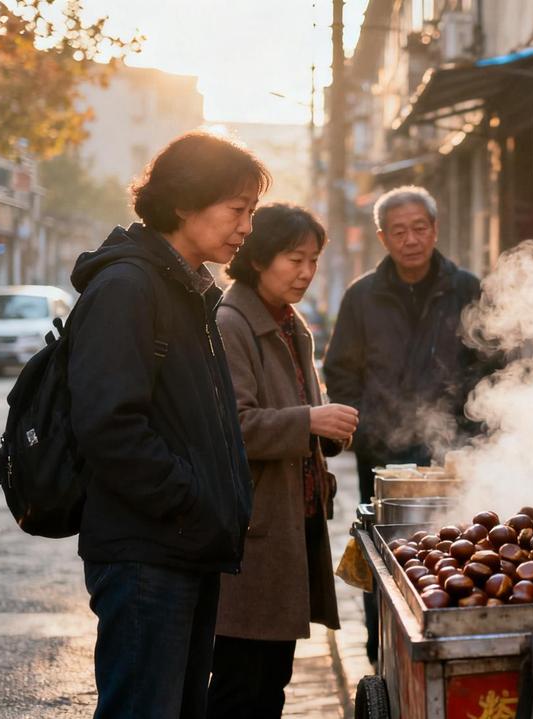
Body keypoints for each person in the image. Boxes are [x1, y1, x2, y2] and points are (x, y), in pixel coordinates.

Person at [67, 131, 268, 718]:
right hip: (146, 553)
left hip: (184, 546)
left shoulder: (187, 288)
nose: (246, 227)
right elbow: (110, 426)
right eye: (237, 210)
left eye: (251, 212)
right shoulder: (128, 286)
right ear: (184, 203)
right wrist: (190, 499)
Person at [323, 185, 484, 664]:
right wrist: (366, 428)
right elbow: (340, 372)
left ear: (435, 230)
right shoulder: (361, 297)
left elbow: (494, 366)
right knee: (387, 565)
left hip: (454, 460)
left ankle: (453, 653)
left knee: (457, 559)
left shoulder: (467, 289)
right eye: (399, 231)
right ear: (382, 237)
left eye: (419, 228)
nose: (411, 239)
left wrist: (474, 439)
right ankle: (386, 660)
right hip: (385, 462)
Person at [208, 204, 356, 717]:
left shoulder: (291, 325)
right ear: (258, 259)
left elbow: (297, 410)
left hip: (289, 524)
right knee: (239, 685)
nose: (306, 273)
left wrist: (326, 432)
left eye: (313, 260)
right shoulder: (231, 324)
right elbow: (234, 427)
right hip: (251, 534)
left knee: (271, 681)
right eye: (295, 259)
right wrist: (311, 422)